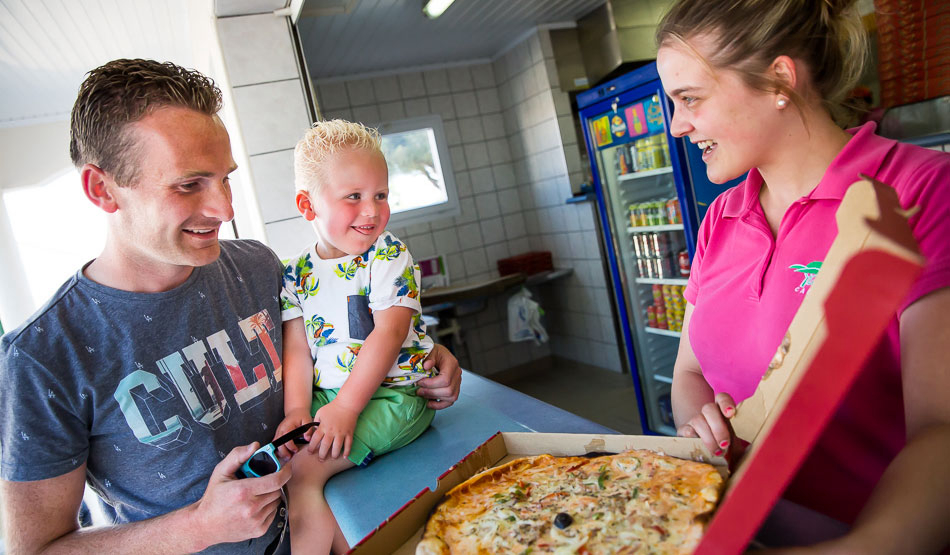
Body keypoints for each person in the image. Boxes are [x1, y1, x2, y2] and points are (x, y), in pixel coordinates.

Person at [0, 59, 462, 554]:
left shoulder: (259, 269)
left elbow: (353, 337)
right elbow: (35, 550)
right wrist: (197, 526)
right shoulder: (40, 357)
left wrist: (431, 358)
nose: (225, 209)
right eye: (189, 184)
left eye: (226, 179)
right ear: (103, 189)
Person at [655, 0, 950, 552]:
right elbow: (690, 373)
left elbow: (943, 431)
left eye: (690, 99)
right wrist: (702, 428)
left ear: (779, 81)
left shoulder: (920, 193)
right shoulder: (721, 218)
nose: (677, 126)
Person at [272, 119, 437, 554]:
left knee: (304, 473)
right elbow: (297, 347)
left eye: (380, 195)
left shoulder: (387, 254)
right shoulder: (296, 273)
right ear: (308, 206)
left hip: (395, 397)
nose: (372, 210)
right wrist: (297, 410)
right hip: (331, 398)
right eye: (354, 197)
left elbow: (389, 333)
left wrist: (346, 407)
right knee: (284, 463)